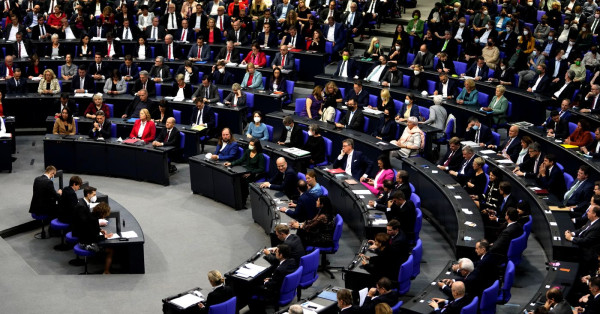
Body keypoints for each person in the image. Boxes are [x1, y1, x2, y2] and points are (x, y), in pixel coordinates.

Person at [248, 244, 298, 314]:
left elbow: (271, 285)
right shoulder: (292, 261)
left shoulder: (279, 270)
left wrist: (266, 282)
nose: (275, 254)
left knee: (251, 289)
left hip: (275, 293)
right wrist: (271, 278)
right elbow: (279, 279)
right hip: (287, 289)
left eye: (276, 252)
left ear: (281, 255)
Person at [73, 199, 115, 274]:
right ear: (103, 213)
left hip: (82, 239)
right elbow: (95, 238)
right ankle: (106, 271)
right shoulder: (94, 220)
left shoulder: (90, 215)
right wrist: (106, 236)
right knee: (110, 250)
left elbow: (90, 228)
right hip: (86, 244)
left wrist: (99, 229)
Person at [224, 138, 266, 203]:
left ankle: (243, 200)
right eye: (250, 144)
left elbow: (261, 169)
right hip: (245, 170)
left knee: (243, 182)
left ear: (256, 146)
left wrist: (251, 173)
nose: (250, 146)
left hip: (254, 173)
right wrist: (231, 163)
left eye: (252, 145)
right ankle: (237, 197)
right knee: (236, 178)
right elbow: (241, 160)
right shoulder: (248, 151)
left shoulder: (260, 155)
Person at [565, 206, 600, 274]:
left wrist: (570, 238)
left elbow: (586, 241)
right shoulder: (592, 220)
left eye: (589, 211)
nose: (587, 213)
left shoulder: (598, 227)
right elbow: (582, 230)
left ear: (594, 214)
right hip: (581, 243)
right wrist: (572, 233)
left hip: (586, 253)